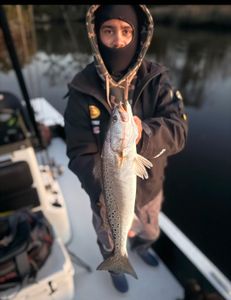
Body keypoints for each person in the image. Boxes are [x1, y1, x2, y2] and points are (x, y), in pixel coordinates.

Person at [64, 5, 188, 293]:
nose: (118, 40)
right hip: (103, 194)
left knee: (150, 228)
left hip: (150, 189)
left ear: (138, 34)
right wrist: (101, 195)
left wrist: (143, 134)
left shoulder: (157, 80)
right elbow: (78, 153)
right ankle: (115, 261)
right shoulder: (81, 90)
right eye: (108, 30)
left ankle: (144, 247)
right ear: (96, 35)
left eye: (126, 30)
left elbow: (178, 132)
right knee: (109, 236)